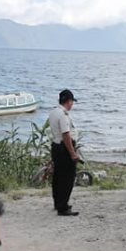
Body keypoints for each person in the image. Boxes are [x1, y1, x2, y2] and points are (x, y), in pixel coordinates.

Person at [47, 88, 81, 216]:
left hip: (56, 146)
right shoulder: (63, 115)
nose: (72, 104)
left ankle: (58, 203)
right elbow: (66, 135)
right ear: (68, 101)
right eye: (72, 101)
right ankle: (63, 206)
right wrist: (72, 153)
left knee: (58, 177)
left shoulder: (54, 112)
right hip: (64, 147)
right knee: (67, 178)